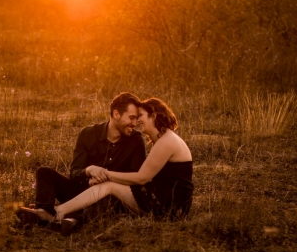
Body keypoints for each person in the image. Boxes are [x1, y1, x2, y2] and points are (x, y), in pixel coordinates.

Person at [51, 98, 193, 232]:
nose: (137, 122)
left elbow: (142, 178)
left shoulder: (166, 141)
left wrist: (106, 175)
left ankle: (60, 211)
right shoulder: (165, 138)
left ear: (153, 116)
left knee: (109, 186)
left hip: (170, 203)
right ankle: (69, 215)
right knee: (113, 192)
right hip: (163, 196)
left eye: (140, 116)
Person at [16, 92, 146, 230]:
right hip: (79, 193)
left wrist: (105, 180)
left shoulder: (136, 140)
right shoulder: (88, 134)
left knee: (110, 199)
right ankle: (45, 211)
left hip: (107, 197)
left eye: (136, 119)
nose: (135, 123)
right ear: (116, 114)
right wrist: (88, 171)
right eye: (131, 118)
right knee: (44, 172)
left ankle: (73, 220)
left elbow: (134, 180)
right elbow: (74, 174)